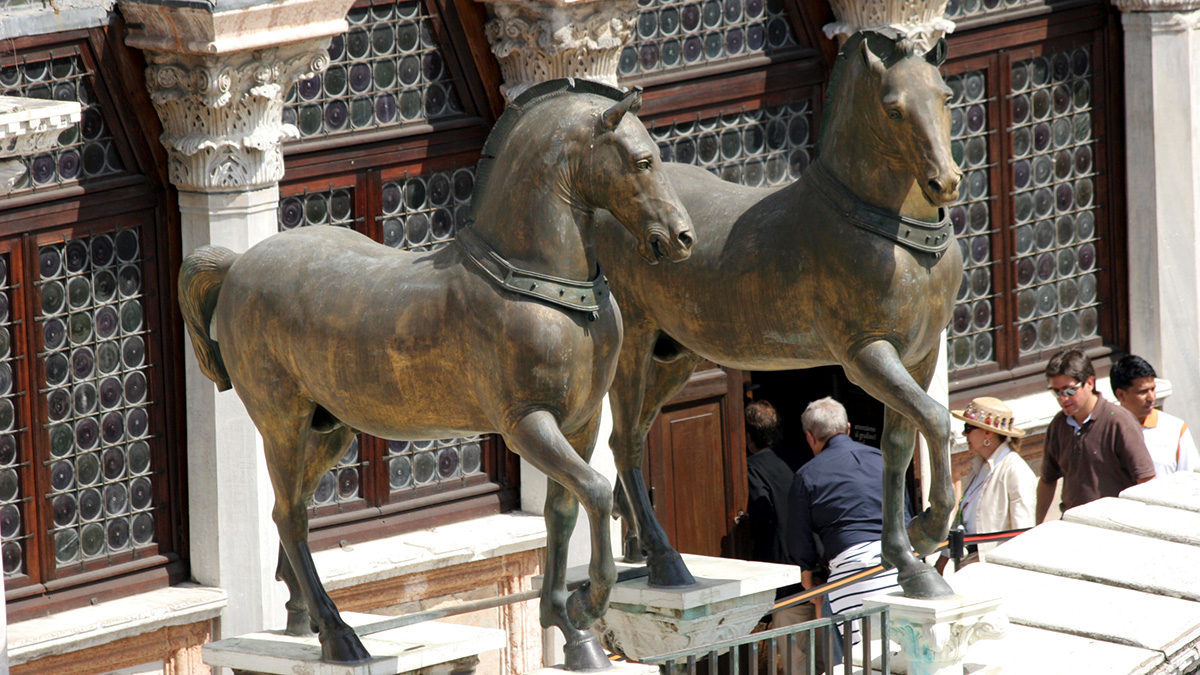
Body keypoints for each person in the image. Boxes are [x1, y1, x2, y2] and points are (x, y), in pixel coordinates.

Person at [786, 397, 901, 651]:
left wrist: (808, 577)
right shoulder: (884, 458)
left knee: (855, 660)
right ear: (848, 428)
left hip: (849, 579)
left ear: (810, 437)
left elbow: (798, 536)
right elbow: (905, 514)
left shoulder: (806, 475)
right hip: (900, 568)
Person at [1036, 350, 1156, 524]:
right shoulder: (1058, 425)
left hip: (1114, 526)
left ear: (1090, 383)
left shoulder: (1119, 422)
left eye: (1069, 391)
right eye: (1056, 392)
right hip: (1072, 526)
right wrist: (1038, 525)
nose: (1063, 399)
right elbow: (1047, 480)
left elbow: (1146, 481)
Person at [944, 396, 1036, 567]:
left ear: (988, 433)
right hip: (970, 563)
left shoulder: (1015, 470)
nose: (964, 434)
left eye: (968, 428)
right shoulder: (978, 467)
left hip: (994, 568)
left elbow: (1023, 534)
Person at [1110, 354, 1200, 477]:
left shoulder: (1175, 429)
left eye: (1153, 389)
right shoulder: (1106, 430)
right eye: (1142, 392)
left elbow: (1191, 478)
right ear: (1121, 395)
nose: (1151, 398)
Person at [744, 400, 801, 566]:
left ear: (748, 436)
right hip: (808, 551)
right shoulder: (796, 457)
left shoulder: (752, 467)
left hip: (777, 557)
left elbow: (762, 513)